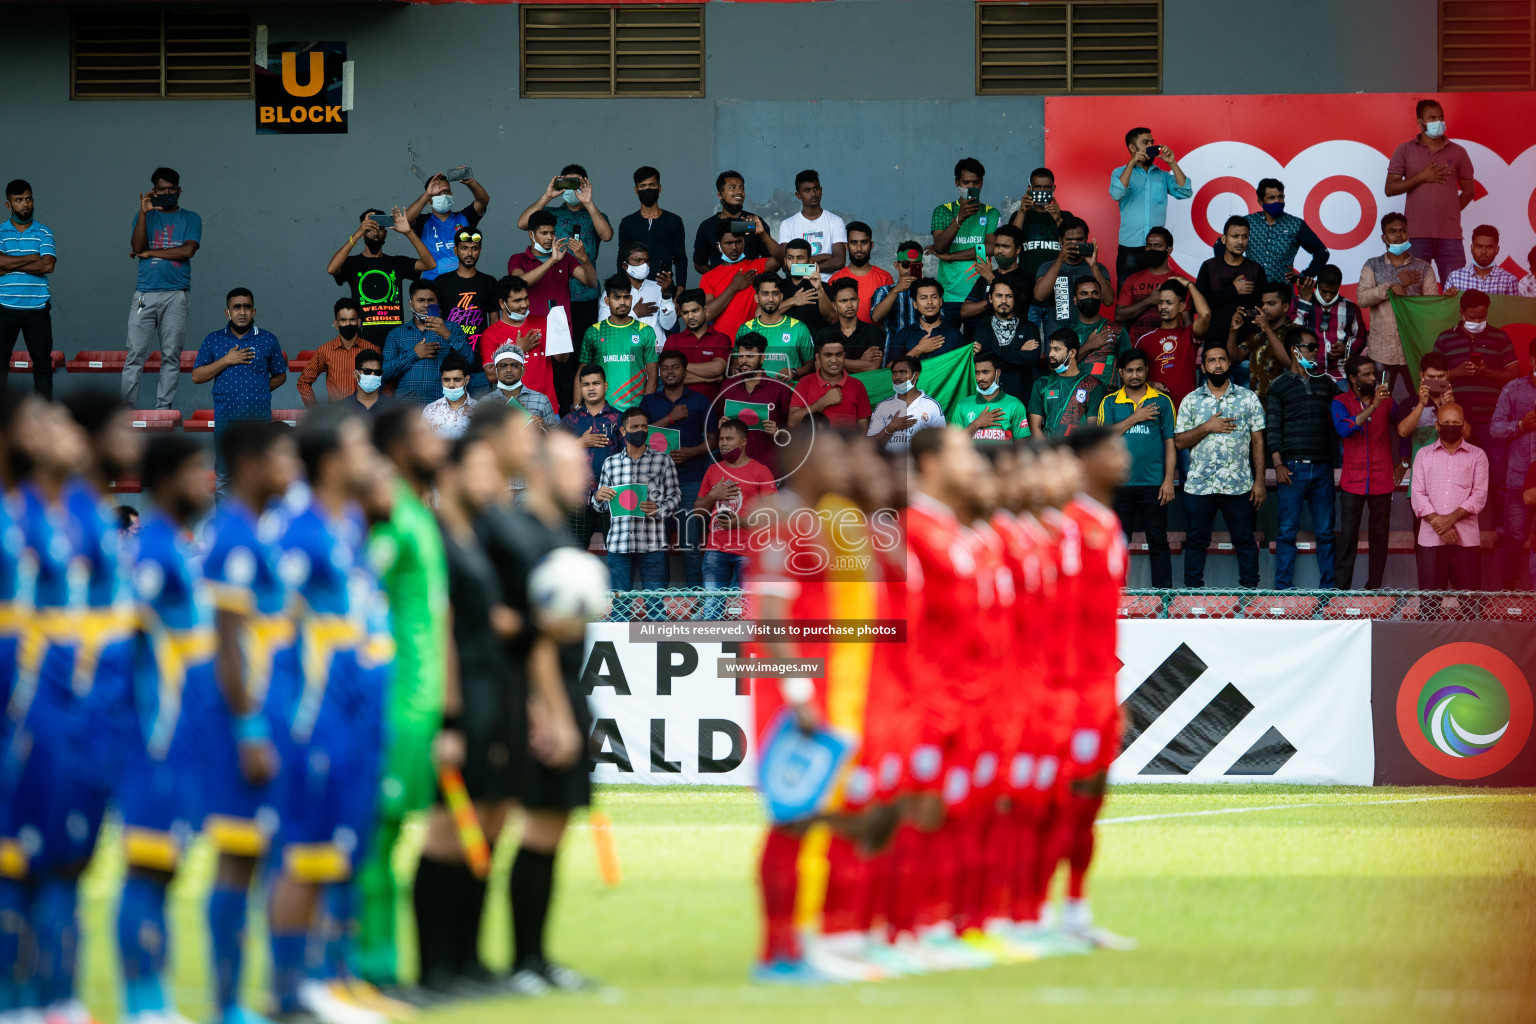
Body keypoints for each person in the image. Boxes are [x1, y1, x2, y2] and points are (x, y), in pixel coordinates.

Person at [267, 406, 390, 1022]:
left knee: (344, 851)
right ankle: (290, 992)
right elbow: (267, 624)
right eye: (359, 448)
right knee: (305, 852)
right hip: (309, 717)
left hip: (355, 717)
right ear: (333, 460)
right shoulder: (298, 529)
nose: (372, 457)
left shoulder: (348, 525)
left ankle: (332, 980)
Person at [469, 411, 597, 993]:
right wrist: (547, 710)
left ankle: (533, 960)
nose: (588, 475)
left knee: (550, 826)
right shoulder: (517, 534)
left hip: (561, 690)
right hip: (532, 696)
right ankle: (508, 961)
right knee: (513, 826)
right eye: (577, 465)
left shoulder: (551, 536)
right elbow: (529, 634)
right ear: (542, 473)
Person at [196, 421, 299, 1024]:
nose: (293, 465)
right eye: (283, 455)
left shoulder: (261, 533)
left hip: (271, 718)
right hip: (244, 723)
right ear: (253, 464)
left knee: (262, 857)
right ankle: (227, 1003)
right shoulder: (233, 536)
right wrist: (250, 728)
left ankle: (264, 996)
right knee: (239, 857)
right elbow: (226, 641)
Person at [113, 433, 211, 1024]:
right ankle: (141, 1003)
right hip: (151, 736)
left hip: (180, 737)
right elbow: (119, 642)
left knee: (167, 866)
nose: (206, 481)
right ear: (166, 480)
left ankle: (158, 998)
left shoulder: (177, 548)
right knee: (148, 867)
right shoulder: (150, 553)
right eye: (197, 470)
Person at [355, 405, 451, 990]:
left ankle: (380, 965)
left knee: (390, 838)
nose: (437, 440)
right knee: (375, 839)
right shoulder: (388, 513)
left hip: (420, 702)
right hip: (393, 703)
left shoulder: (416, 511)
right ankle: (369, 968)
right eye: (423, 434)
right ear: (396, 449)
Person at [416, 424, 513, 999]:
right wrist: (449, 719)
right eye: (480, 470)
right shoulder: (436, 539)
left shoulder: (475, 537)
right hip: (458, 698)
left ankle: (468, 962)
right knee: (446, 833)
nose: (492, 481)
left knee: (482, 827)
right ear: (448, 476)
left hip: (488, 694)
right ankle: (434, 969)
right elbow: (442, 630)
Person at [1056, 426, 1133, 949]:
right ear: (1084, 462)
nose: (1123, 457)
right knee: (1047, 802)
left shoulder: (1108, 523)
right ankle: (1024, 911)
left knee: (1089, 802)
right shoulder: (1066, 527)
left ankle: (1074, 911)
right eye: (1112, 450)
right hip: (1061, 689)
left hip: (1097, 687)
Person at [1174, 343, 1266, 588]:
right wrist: (1207, 427)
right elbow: (1180, 441)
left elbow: (1258, 441)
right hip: (1199, 486)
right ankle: (1193, 599)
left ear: (1229, 363)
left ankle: (1250, 597)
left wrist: (1259, 481)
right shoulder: (1190, 401)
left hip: (1239, 485)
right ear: (1203, 367)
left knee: (1245, 541)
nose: (1218, 364)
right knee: (1196, 542)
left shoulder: (1248, 398)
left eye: (1222, 359)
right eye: (1212, 360)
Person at [1434, 288, 1519, 536]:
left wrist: (1486, 373)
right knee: (1456, 476)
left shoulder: (1500, 338)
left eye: (1482, 317)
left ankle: (1504, 531)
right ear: (1461, 313)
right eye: (1472, 317)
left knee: (1500, 477)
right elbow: (1431, 384)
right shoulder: (1444, 340)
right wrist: (1454, 374)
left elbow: (1513, 376)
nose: (1477, 322)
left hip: (1493, 421)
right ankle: (1455, 526)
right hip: (1456, 423)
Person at [191, 288, 289, 493]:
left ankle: (259, 524)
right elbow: (197, 376)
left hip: (258, 420)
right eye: (237, 307)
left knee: (261, 474)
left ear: (254, 311)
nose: (242, 312)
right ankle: (226, 524)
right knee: (225, 477)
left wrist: (260, 390)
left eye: (247, 307)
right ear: (228, 312)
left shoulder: (268, 339)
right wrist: (226, 360)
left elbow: (280, 375)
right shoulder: (213, 339)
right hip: (226, 419)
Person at [1266, 328, 1341, 590]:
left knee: (1325, 534)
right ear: (1294, 350)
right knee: (1286, 533)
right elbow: (1273, 428)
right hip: (1292, 469)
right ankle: (1284, 592)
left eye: (1315, 347)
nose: (1314, 352)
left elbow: (1341, 421)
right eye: (1309, 347)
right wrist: (1277, 464)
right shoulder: (1279, 385)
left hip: (1322, 468)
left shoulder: (1326, 383)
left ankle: (1328, 592)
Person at [1097, 350, 1176, 588]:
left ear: (1146, 371)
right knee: (1118, 544)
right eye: (1129, 370)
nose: (1134, 375)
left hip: (1153, 484)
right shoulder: (1109, 402)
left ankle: (1164, 599)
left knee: (1158, 542)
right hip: (1119, 485)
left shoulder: (1162, 401)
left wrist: (1169, 480)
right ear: (1120, 373)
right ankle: (1114, 596)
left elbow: (1170, 443)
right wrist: (1136, 417)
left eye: (1139, 370)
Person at [639, 350, 716, 587]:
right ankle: (658, 604)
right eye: (665, 368)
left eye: (675, 367)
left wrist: (691, 452)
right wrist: (670, 418)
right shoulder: (649, 401)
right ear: (659, 373)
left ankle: (695, 601)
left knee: (690, 545)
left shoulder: (701, 401)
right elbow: (639, 435)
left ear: (685, 370)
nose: (669, 372)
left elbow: (714, 440)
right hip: (655, 484)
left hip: (690, 480)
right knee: (657, 547)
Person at [125, 167, 201, 408]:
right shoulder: (144, 216)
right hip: (144, 294)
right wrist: (143, 213)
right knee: (135, 354)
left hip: (176, 294)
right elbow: (137, 247)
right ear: (153, 191)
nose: (167, 193)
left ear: (179, 190)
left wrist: (151, 252)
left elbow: (188, 250)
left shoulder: (191, 218)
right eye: (161, 190)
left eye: (171, 189)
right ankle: (125, 411)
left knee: (171, 355)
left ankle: (163, 409)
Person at [515, 166, 613, 344]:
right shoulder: (551, 214)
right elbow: (523, 223)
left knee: (585, 350)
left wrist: (589, 202)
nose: (572, 190)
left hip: (585, 293)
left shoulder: (596, 215)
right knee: (557, 350)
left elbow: (607, 235)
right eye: (567, 184)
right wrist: (548, 196)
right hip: (554, 293)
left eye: (577, 184)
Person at [592, 406, 681, 590]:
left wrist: (659, 509)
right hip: (619, 544)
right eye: (635, 427)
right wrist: (598, 498)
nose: (641, 431)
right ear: (623, 431)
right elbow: (601, 508)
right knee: (620, 605)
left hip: (652, 544)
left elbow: (675, 496)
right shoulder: (611, 463)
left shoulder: (663, 461)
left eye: (644, 426)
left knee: (655, 604)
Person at [1385, 98, 1474, 281]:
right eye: (1432, 118)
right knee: (1413, 291)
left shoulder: (1458, 152)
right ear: (1420, 122)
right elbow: (1390, 188)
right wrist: (1421, 177)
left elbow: (1469, 191)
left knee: (1455, 291)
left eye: (1441, 117)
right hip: (1416, 234)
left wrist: (1450, 211)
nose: (1438, 122)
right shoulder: (1405, 150)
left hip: (1450, 236)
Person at [326, 206, 436, 348]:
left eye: (380, 227)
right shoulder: (352, 263)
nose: (375, 232)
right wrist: (358, 234)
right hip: (362, 341)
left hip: (395, 341)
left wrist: (409, 232)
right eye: (370, 227)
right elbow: (331, 269)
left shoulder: (397, 263)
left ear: (386, 233)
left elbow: (430, 264)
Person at [1333, 355, 1398, 590]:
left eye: (1374, 374)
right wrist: (1373, 407)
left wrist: (1403, 461)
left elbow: (1403, 429)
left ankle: (1374, 590)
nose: (1373, 378)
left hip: (1382, 478)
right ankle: (1341, 592)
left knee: (1379, 538)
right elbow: (1344, 429)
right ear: (1352, 378)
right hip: (1353, 480)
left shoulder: (1389, 402)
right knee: (1348, 537)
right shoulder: (1340, 401)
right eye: (1366, 375)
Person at [696, 417, 777, 597]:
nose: (724, 443)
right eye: (721, 439)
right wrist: (713, 496)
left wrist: (741, 522)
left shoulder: (760, 471)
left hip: (748, 551)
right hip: (715, 550)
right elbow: (697, 511)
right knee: (711, 608)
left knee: (750, 606)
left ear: (744, 441)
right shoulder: (713, 470)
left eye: (729, 439)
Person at [1410, 403, 1488, 590]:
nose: (1451, 426)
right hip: (1430, 541)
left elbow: (1479, 496)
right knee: (1430, 607)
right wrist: (1443, 527)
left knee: (1471, 608)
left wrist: (1448, 520)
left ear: (1463, 425)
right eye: (1446, 422)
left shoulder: (1478, 456)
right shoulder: (1423, 455)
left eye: (1456, 422)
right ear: (1437, 425)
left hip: (1466, 542)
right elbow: (1418, 495)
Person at [1358, 212, 1438, 385]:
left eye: (1402, 230)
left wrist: (1407, 294)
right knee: (1381, 401)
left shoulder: (1423, 268)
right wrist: (1394, 285)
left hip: (1413, 348)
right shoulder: (1372, 265)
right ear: (1383, 237)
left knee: (1421, 399)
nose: (1398, 235)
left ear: (1408, 234)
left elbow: (1432, 306)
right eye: (1392, 231)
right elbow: (1362, 299)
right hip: (1381, 350)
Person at [1109, 128, 1192, 286]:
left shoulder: (1162, 176)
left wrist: (1172, 163)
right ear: (1133, 148)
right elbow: (1116, 194)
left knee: (1159, 296)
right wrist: (1132, 163)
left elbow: (1185, 192)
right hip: (1130, 248)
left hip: (1157, 248)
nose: (1151, 146)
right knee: (1127, 296)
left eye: (1152, 142)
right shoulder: (1120, 172)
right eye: (1145, 143)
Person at [707, 335, 796, 474]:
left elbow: (794, 430)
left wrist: (778, 431)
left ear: (762, 358)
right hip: (733, 467)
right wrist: (721, 425)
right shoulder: (728, 385)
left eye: (750, 356)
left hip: (768, 468)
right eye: (741, 356)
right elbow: (718, 419)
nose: (744, 361)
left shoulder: (779, 389)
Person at [0, 179, 57, 396]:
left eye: (28, 199)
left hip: (37, 308)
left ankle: (43, 424)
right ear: (9, 205)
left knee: (42, 365)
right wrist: (31, 258)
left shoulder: (44, 232)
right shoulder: (0, 232)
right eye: (19, 200)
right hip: (4, 306)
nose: (25, 204)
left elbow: (48, 264)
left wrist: (10, 262)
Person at [382, 280, 477, 404]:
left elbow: (469, 359)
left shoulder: (452, 328)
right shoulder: (396, 334)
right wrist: (414, 354)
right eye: (420, 300)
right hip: (405, 406)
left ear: (437, 303)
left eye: (431, 300)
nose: (426, 305)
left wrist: (446, 334)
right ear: (410, 304)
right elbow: (383, 372)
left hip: (440, 406)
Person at [560, 363, 623, 551]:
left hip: (612, 495)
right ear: (580, 388)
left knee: (617, 554)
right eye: (586, 384)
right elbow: (554, 457)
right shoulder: (570, 420)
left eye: (596, 383)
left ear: (605, 386)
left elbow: (629, 457)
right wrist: (581, 443)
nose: (591, 388)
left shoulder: (620, 418)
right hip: (577, 496)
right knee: (575, 555)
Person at [1219, 179, 1329, 285]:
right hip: (1251, 291)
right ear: (1260, 201)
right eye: (1272, 198)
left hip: (1282, 294)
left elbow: (1322, 252)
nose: (1277, 201)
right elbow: (1220, 245)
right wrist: (1232, 274)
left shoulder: (1295, 224)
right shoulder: (1248, 222)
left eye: (1280, 197)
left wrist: (1303, 276)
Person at [477, 274, 563, 410]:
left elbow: (562, 358)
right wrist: (518, 349)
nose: (524, 305)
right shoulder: (490, 334)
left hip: (547, 405)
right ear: (502, 304)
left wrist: (561, 334)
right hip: (512, 410)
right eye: (517, 301)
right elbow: (492, 376)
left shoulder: (544, 323)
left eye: (526, 298)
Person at [1490, 339, 1536, 590]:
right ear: (1531, 360)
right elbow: (1495, 428)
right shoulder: (1513, 389)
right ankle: (1509, 598)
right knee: (1514, 538)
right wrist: (1520, 425)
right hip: (1518, 480)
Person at [506, 210, 598, 334]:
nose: (550, 237)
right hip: (530, 330)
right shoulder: (518, 259)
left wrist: (584, 258)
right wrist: (551, 261)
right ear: (531, 234)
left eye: (552, 233)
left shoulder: (565, 257)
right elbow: (519, 282)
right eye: (544, 233)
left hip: (560, 329)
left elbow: (592, 283)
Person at [931, 158, 1000, 321]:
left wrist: (952, 256)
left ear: (981, 183)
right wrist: (959, 218)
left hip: (979, 292)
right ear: (957, 182)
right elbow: (940, 247)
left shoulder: (991, 213)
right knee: (948, 344)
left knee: (976, 345)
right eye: (966, 182)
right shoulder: (942, 211)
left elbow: (991, 248)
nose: (971, 187)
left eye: (975, 183)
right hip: (948, 293)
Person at [579, 274, 659, 411]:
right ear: (607, 300)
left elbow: (652, 375)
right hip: (602, 410)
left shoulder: (646, 331)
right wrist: (577, 406)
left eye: (626, 297)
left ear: (631, 298)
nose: (622, 302)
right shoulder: (593, 332)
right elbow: (581, 372)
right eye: (617, 298)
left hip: (635, 409)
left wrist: (645, 409)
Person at [1008, 167, 1073, 329]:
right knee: (1029, 344)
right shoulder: (1020, 215)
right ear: (1030, 189)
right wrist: (1022, 211)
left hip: (1058, 293)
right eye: (1038, 187)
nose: (1042, 191)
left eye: (1047, 188)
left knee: (1058, 345)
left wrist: (1058, 220)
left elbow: (1073, 249)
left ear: (1054, 189)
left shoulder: (1066, 217)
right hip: (1026, 293)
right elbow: (1010, 244)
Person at [699, 217, 784, 340]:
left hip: (754, 342)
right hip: (723, 343)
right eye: (728, 243)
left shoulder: (756, 266)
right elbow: (707, 315)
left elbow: (780, 259)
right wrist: (733, 287)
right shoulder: (708, 277)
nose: (734, 247)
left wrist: (762, 233)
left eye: (738, 242)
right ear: (718, 246)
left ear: (744, 242)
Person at [1032, 217, 1113, 340]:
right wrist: (1060, 260)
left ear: (1086, 239)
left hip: (1090, 336)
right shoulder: (1047, 267)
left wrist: (1093, 266)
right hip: (1058, 338)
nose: (1075, 244)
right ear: (1060, 241)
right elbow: (1039, 296)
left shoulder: (1098, 268)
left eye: (1079, 240)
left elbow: (1108, 300)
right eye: (1069, 240)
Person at [1196, 217, 1266, 358]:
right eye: (1235, 236)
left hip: (1245, 350)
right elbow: (1198, 304)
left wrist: (1247, 312)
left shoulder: (1256, 270)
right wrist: (1233, 290)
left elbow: (1261, 309)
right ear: (1224, 239)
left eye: (1244, 237)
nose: (1240, 242)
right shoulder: (1209, 267)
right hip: (1213, 347)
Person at [1135, 278, 1210, 406]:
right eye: (1160, 302)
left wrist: (1189, 285)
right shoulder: (1145, 340)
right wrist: (1149, 384)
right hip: (1153, 411)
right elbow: (1132, 376)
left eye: (1169, 303)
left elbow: (1206, 314)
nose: (1163, 307)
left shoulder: (1189, 334)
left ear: (1181, 307)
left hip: (1185, 411)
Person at [406, 169, 490, 281]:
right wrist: (427, 194)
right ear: (429, 200)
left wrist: (471, 182)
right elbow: (405, 221)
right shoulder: (423, 222)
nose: (444, 196)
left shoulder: (464, 217)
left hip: (462, 282)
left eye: (447, 192)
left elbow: (483, 201)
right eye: (438, 193)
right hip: (433, 284)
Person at [1395, 351, 1467, 482]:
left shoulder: (1460, 401)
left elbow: (1467, 434)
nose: (1436, 381)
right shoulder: (1409, 403)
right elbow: (1403, 432)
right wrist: (1421, 404)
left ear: (1448, 374)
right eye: (1431, 377)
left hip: (1455, 472)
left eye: (1441, 376)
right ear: (1422, 375)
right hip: (1422, 473)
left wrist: (1449, 406)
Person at [615, 166, 688, 292]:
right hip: (635, 290)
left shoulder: (674, 221)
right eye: (642, 186)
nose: (647, 189)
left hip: (665, 288)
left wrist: (680, 293)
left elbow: (680, 259)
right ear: (636, 190)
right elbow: (622, 259)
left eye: (652, 185)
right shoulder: (627, 223)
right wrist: (623, 290)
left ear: (659, 188)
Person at [967, 278, 1040, 401]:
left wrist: (991, 352)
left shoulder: (1029, 328)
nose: (1004, 301)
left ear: (1015, 299)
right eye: (999, 296)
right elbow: (982, 364)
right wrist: (1018, 353)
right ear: (990, 299)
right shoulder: (982, 329)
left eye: (1009, 296)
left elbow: (1032, 359)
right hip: (990, 401)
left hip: (1021, 398)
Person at [298, 298, 380, 406]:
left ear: (359, 322)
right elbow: (304, 381)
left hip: (365, 414)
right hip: (337, 415)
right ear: (336, 324)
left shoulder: (373, 350)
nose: (348, 324)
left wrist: (379, 408)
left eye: (352, 319)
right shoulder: (325, 350)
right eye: (343, 320)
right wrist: (316, 410)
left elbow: (388, 381)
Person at [432, 228, 499, 359]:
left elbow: (494, 323)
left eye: (474, 248)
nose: (469, 253)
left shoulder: (489, 282)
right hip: (448, 360)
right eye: (464, 248)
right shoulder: (440, 282)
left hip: (480, 360)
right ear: (455, 250)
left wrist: (493, 355)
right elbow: (433, 321)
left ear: (480, 250)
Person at [1027, 329, 1105, 439]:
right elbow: (1035, 428)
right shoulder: (1042, 384)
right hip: (1049, 452)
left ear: (1072, 353)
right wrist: (1049, 454)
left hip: (1079, 453)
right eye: (1050, 349)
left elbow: (1092, 430)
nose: (1050, 354)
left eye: (1057, 349)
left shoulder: (1094, 385)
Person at [1292, 267, 1366, 380]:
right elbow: (1292, 333)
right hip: (1307, 372)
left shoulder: (1350, 307)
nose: (1328, 297)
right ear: (1317, 285)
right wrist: (1304, 303)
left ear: (1339, 287)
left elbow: (1360, 337)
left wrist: (1347, 349)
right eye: (1324, 291)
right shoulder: (1299, 302)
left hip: (1340, 374)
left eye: (1333, 292)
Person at [737, 274, 814, 380]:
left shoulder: (798, 327)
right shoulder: (745, 329)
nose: (770, 299)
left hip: (788, 391)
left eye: (775, 293)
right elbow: (734, 362)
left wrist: (794, 372)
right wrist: (736, 371)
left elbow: (810, 365)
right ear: (757, 298)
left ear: (781, 297)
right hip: (755, 392)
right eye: (765, 294)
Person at [693, 170, 771, 274]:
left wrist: (755, 280)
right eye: (732, 187)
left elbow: (771, 259)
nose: (739, 192)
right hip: (722, 289)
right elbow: (699, 264)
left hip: (751, 286)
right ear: (720, 194)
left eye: (742, 188)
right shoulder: (707, 226)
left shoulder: (755, 222)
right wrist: (720, 278)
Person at [867, 353, 945, 453]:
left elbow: (941, 443)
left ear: (916, 375)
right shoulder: (883, 406)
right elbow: (869, 443)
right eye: (894, 373)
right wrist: (890, 428)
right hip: (891, 466)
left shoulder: (932, 406)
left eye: (903, 372)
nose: (897, 377)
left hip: (919, 466)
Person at [1062, 277, 1130, 391]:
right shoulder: (1064, 330)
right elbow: (1056, 368)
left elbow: (1129, 368)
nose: (1090, 297)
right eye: (1084, 293)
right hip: (1070, 399)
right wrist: (1089, 345)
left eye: (1094, 293)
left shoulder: (1117, 331)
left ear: (1101, 298)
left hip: (1107, 400)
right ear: (1075, 300)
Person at [790, 337, 871, 430]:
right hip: (814, 443)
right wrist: (824, 401)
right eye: (828, 355)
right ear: (818, 358)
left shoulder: (857, 385)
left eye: (838, 355)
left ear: (844, 356)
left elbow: (863, 427)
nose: (834, 360)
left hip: (847, 443)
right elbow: (792, 422)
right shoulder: (805, 382)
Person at [599, 241, 676, 339]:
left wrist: (666, 296)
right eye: (638, 260)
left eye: (646, 260)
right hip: (626, 350)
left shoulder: (658, 288)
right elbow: (604, 328)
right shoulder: (612, 292)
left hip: (655, 349)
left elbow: (668, 325)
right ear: (625, 265)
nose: (644, 265)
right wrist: (634, 314)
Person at [1114, 227, 1177, 343]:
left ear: (1169, 250)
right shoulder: (1133, 279)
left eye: (1158, 246)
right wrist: (1148, 301)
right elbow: (1119, 316)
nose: (1152, 249)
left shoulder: (1178, 281)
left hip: (1168, 347)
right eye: (1149, 246)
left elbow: (1187, 322)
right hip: (1137, 348)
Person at [950, 351, 1029, 444]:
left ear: (998, 373)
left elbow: (1022, 447)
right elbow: (953, 444)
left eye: (985, 372)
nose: (980, 378)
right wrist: (977, 423)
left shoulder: (1015, 405)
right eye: (977, 373)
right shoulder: (963, 405)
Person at [1231, 281, 1292, 401]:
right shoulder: (1257, 335)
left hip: (1284, 403)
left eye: (1271, 303)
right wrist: (1233, 331)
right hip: (1257, 405)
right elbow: (1234, 359)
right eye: (1263, 303)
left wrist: (1268, 330)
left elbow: (1289, 362)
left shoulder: (1295, 332)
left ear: (1285, 307)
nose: (1264, 308)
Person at [666, 289, 731, 401]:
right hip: (679, 409)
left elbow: (717, 369)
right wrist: (708, 379)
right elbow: (671, 377)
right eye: (685, 313)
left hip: (712, 409)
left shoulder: (721, 339)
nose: (690, 316)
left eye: (695, 311)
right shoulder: (673, 340)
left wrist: (679, 366)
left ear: (705, 310)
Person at [777, 170, 846, 271]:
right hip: (800, 284)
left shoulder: (835, 221)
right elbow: (785, 266)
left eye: (816, 188)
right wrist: (824, 256)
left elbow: (839, 261)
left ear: (821, 190)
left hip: (829, 284)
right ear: (798, 195)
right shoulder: (788, 224)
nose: (813, 194)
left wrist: (801, 267)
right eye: (807, 190)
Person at [827, 221, 892, 324]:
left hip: (876, 338)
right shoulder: (835, 279)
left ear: (871, 245)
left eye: (864, 242)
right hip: (844, 339)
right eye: (854, 243)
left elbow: (889, 317)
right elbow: (831, 317)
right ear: (847, 246)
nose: (859, 248)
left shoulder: (884, 278)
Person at [815, 278, 884, 374]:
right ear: (834, 306)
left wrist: (832, 361)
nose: (849, 305)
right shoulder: (824, 334)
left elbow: (873, 366)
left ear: (858, 301)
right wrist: (861, 361)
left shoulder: (873, 332)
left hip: (866, 387)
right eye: (843, 301)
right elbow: (819, 366)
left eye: (853, 299)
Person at [888, 278, 964, 363]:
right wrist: (918, 350)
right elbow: (888, 371)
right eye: (923, 298)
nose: (929, 302)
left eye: (934, 297)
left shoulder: (954, 335)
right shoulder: (904, 335)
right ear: (915, 304)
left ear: (940, 301)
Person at [489, 342, 559, 429]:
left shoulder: (541, 400)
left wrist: (543, 430)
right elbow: (476, 438)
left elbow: (556, 437)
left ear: (523, 370)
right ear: (496, 371)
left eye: (514, 365)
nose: (509, 370)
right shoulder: (485, 403)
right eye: (503, 366)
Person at [869, 240, 927, 337]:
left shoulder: (930, 290)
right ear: (896, 266)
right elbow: (876, 317)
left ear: (921, 267)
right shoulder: (884, 291)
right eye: (905, 264)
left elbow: (939, 321)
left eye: (915, 266)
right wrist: (895, 291)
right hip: (894, 348)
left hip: (923, 348)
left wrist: (925, 289)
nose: (909, 269)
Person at [1444, 224, 1521, 296]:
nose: (1483, 252)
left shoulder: (1509, 281)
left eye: (1489, 247)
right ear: (1472, 248)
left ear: (1497, 250)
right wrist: (1446, 300)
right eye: (1479, 246)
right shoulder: (1455, 278)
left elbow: (1514, 310)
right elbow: (1446, 308)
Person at [421, 351, 478, 440]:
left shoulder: (478, 410)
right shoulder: (430, 410)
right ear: (441, 380)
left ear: (466, 380)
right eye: (446, 380)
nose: (451, 385)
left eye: (457, 380)